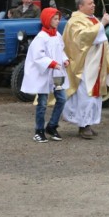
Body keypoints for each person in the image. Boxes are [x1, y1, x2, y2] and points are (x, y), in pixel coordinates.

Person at [61, 0, 109, 139]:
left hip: (95, 65)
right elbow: (82, 39)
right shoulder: (75, 21)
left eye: (93, 3)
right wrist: (102, 24)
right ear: (81, 6)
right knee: (86, 95)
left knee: (94, 96)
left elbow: (100, 40)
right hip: (83, 66)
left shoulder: (91, 19)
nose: (93, 5)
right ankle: (83, 126)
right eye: (90, 3)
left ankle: (88, 124)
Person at [20, 7, 70, 143]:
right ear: (47, 20)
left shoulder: (57, 35)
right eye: (54, 18)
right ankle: (39, 130)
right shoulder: (41, 37)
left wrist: (64, 59)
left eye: (58, 18)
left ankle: (52, 126)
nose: (58, 21)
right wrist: (52, 63)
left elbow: (61, 50)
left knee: (62, 98)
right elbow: (37, 56)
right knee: (42, 103)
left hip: (56, 75)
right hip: (45, 75)